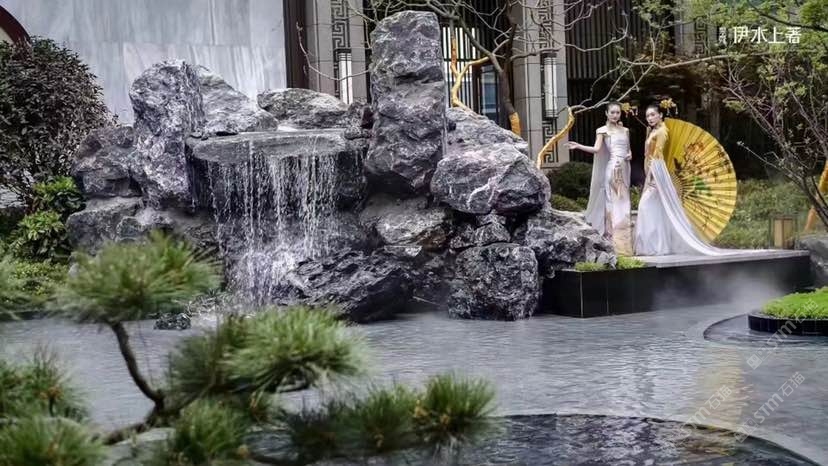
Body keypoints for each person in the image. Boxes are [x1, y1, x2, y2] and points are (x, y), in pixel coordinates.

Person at [633, 104, 728, 256]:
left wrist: (649, 177)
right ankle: (656, 245)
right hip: (652, 168)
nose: (650, 118)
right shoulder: (653, 131)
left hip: (656, 170)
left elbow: (657, 155)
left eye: (653, 115)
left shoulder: (662, 131)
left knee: (645, 204)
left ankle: (654, 246)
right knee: (656, 207)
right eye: (647, 116)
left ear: (660, 115)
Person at [568, 101, 633, 255]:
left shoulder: (625, 130)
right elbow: (597, 149)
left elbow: (629, 150)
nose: (615, 115)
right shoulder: (602, 131)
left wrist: (629, 155)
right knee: (613, 204)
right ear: (606, 113)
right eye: (612, 112)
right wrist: (579, 146)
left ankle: (625, 245)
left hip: (624, 168)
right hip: (613, 169)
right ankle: (613, 243)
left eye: (617, 112)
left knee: (624, 204)